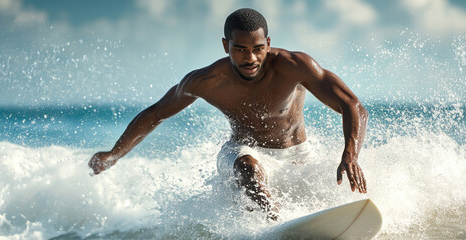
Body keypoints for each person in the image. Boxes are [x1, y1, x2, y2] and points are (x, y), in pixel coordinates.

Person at [88, 8, 368, 220]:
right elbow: (155, 113)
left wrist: (350, 155)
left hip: (298, 155)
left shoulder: (294, 66)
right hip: (245, 151)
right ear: (226, 46)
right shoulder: (206, 81)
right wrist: (114, 154)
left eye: (258, 49)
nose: (250, 59)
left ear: (268, 43)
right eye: (240, 50)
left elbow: (353, 106)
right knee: (249, 171)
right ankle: (274, 226)